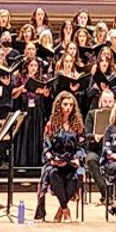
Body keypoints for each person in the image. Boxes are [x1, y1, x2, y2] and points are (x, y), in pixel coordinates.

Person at [37, 91, 86, 222]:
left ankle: (61, 209)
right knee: (53, 174)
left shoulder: (78, 125)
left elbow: (81, 146)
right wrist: (52, 160)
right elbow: (46, 146)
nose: (68, 107)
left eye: (71, 105)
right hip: (56, 161)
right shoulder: (51, 124)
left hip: (71, 161)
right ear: (59, 106)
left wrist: (77, 158)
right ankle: (65, 209)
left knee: (78, 175)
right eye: (65, 104)